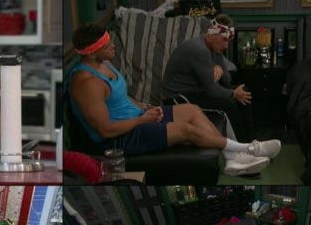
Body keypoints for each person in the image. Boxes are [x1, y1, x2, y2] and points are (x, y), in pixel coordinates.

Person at [69, 23, 281, 177]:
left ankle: (231, 159)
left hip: (137, 118)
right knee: (188, 130)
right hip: (121, 138)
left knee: (192, 109)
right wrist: (142, 120)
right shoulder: (87, 83)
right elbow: (105, 130)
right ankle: (247, 149)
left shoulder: (104, 63)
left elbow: (120, 98)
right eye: (107, 45)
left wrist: (143, 106)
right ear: (92, 53)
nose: (113, 47)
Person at [162, 14, 256, 143]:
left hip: (197, 89)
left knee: (245, 91)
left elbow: (227, 81)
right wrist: (234, 94)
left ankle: (250, 141)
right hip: (177, 97)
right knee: (229, 104)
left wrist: (219, 67)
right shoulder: (200, 50)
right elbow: (213, 91)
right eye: (224, 40)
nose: (226, 46)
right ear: (211, 35)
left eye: (228, 41)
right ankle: (240, 146)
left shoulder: (213, 47)